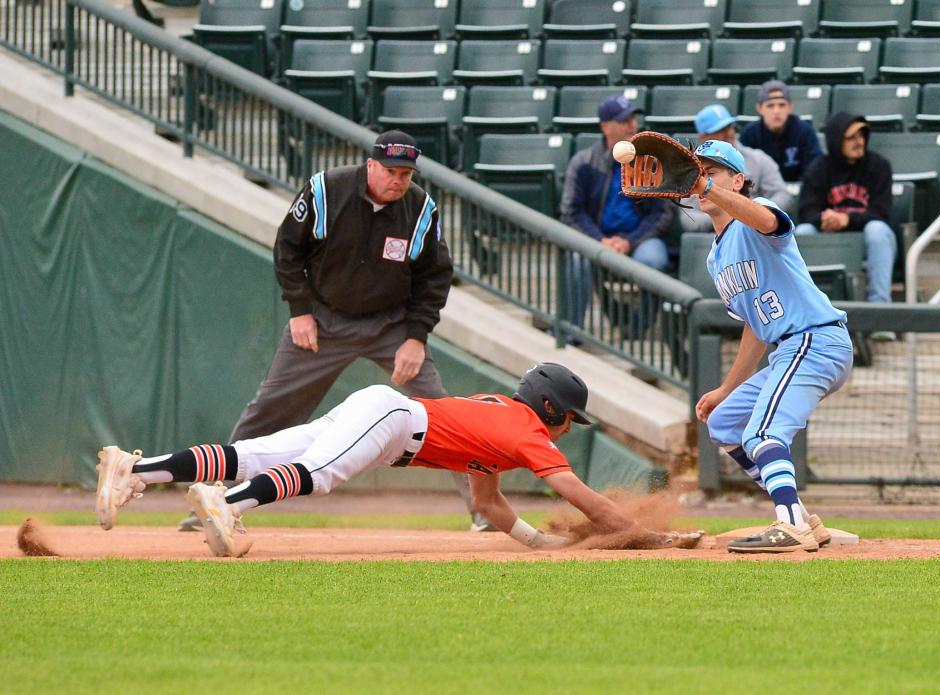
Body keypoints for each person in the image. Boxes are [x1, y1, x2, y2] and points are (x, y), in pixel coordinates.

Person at [178, 129, 492, 532]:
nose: (399, 180)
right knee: (270, 410)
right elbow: (288, 248)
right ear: (371, 165)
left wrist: (417, 336)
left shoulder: (420, 208)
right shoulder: (327, 189)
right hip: (323, 321)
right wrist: (300, 310)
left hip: (392, 325)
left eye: (407, 174)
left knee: (447, 416)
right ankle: (212, 502)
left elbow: (435, 277)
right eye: (392, 171)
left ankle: (486, 513)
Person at [95, 363, 703, 557]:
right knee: (319, 474)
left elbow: (488, 505)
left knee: (253, 453)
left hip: (387, 416)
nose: (570, 429)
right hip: (394, 422)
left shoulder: (498, 420)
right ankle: (226, 505)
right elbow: (584, 499)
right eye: (570, 417)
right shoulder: (527, 433)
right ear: (552, 409)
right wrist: (645, 536)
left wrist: (546, 546)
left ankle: (135, 469)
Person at [690, 139, 853, 553]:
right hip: (788, 348)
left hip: (815, 339)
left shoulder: (755, 213)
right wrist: (727, 388)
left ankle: (791, 523)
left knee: (763, 432)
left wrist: (710, 190)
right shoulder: (716, 257)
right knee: (725, 423)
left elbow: (768, 221)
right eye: (697, 171)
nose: (702, 178)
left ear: (738, 180)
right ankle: (799, 515)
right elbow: (755, 327)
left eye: (712, 170)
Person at [560, 94, 674, 333]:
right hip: (597, 238)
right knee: (577, 261)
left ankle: (638, 328)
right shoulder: (584, 162)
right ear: (605, 126)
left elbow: (662, 214)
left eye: (633, 119)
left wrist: (629, 242)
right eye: (624, 121)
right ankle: (570, 332)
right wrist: (601, 240)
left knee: (652, 260)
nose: (632, 126)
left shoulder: (650, 163)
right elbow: (571, 211)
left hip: (639, 239)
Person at [795, 112, 897, 325]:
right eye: (851, 137)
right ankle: (801, 312)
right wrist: (826, 218)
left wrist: (846, 220)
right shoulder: (818, 168)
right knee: (802, 232)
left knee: (877, 229)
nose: (859, 142)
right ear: (836, 140)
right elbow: (806, 211)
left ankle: (881, 313)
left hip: (868, 239)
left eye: (861, 136)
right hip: (829, 237)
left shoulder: (879, 166)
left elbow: (882, 212)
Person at [678, 104, 793, 235]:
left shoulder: (758, 158)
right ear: (704, 137)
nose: (728, 133)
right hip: (712, 235)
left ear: (739, 180)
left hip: (758, 232)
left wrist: (749, 213)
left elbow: (782, 197)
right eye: (720, 130)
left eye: (729, 127)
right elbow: (688, 218)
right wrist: (723, 217)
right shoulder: (694, 169)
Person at [740, 80, 822, 183]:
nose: (776, 111)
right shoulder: (749, 134)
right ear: (760, 109)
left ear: (790, 107)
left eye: (782, 105)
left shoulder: (806, 132)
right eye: (770, 106)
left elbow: (814, 171)